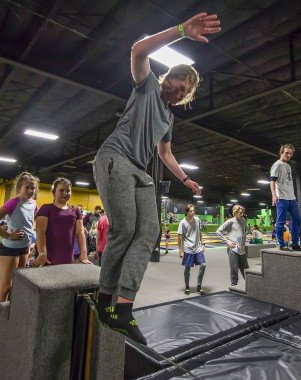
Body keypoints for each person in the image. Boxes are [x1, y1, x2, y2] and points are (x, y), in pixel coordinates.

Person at [92, 12, 220, 345]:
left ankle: (123, 307)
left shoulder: (168, 117)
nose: (179, 94)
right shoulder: (147, 85)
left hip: (139, 170)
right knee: (124, 230)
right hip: (114, 159)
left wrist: (186, 180)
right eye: (179, 86)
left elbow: (165, 155)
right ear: (169, 78)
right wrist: (181, 31)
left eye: (185, 93)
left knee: (148, 233)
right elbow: (138, 51)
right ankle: (104, 298)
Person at [0, 172, 39, 335]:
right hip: (9, 248)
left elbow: (30, 224)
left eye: (33, 188)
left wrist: (31, 242)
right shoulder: (13, 202)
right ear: (19, 188)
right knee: (5, 287)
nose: (30, 190)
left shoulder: (34, 203)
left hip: (24, 248)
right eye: (27, 187)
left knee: (18, 286)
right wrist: (8, 235)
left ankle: (10, 316)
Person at [34, 178, 90, 266]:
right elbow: (40, 232)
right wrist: (42, 253)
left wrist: (83, 253)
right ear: (53, 192)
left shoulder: (75, 211)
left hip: (68, 258)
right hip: (47, 259)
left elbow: (80, 232)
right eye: (61, 190)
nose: (65, 193)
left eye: (68, 190)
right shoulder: (46, 208)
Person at [270, 144, 301, 251]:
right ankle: (281, 244)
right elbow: (272, 181)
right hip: (281, 197)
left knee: (297, 220)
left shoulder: (288, 166)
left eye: (290, 153)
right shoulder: (277, 165)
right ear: (281, 152)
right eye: (286, 153)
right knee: (281, 222)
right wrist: (274, 195)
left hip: (291, 197)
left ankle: (294, 244)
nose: (288, 155)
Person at [216, 204, 249, 286]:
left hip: (242, 249)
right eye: (240, 213)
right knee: (234, 269)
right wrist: (228, 242)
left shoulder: (244, 221)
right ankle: (234, 285)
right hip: (233, 249)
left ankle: (250, 285)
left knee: (246, 269)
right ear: (235, 212)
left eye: (243, 212)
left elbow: (244, 232)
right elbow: (218, 231)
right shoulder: (230, 221)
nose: (242, 214)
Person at [178, 204, 206, 295]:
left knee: (203, 265)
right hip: (188, 248)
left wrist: (203, 243)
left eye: (194, 210)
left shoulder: (197, 219)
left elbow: (200, 232)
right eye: (191, 211)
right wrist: (180, 250)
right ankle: (187, 286)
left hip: (198, 248)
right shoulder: (183, 223)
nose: (193, 212)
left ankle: (199, 286)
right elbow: (179, 237)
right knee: (187, 268)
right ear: (187, 212)